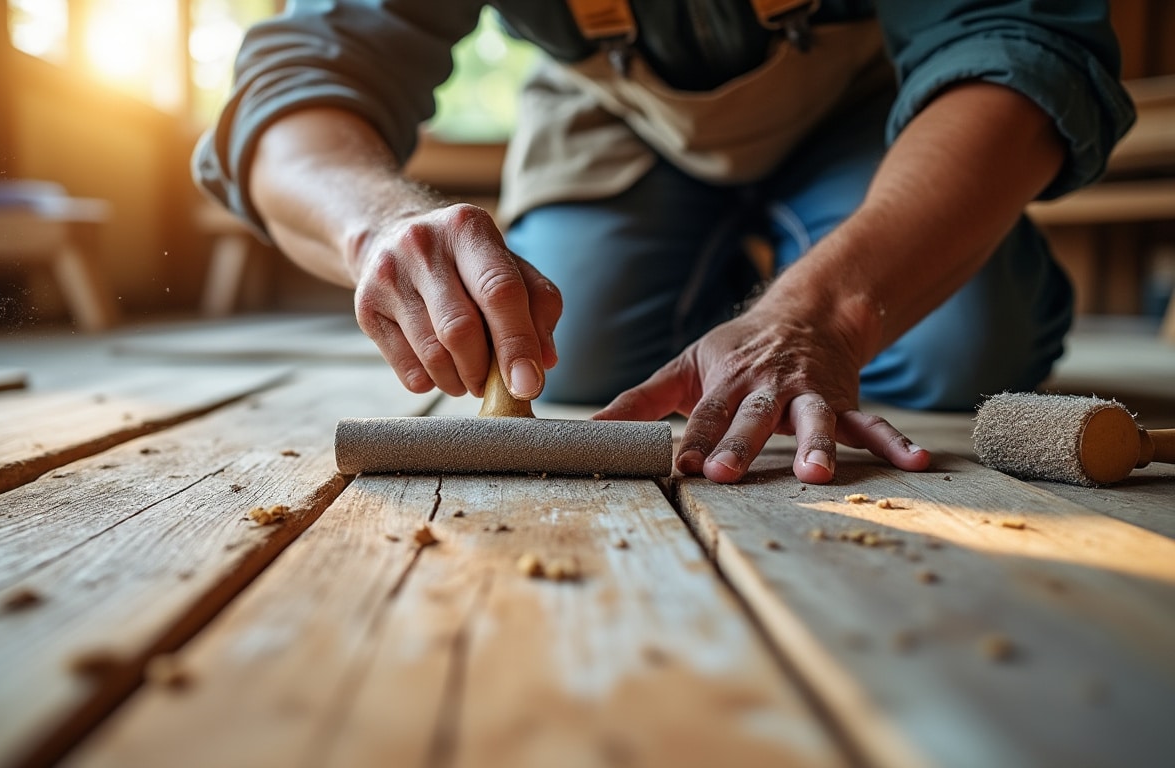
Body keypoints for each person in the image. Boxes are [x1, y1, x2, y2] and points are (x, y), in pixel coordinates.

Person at [194, 0, 1134, 484]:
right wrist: (377, 228)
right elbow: (300, 81)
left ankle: (793, 280)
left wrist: (821, 316)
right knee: (575, 350)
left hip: (881, 115)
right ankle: (732, 282)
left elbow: (1021, 39)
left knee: (951, 350)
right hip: (616, 120)